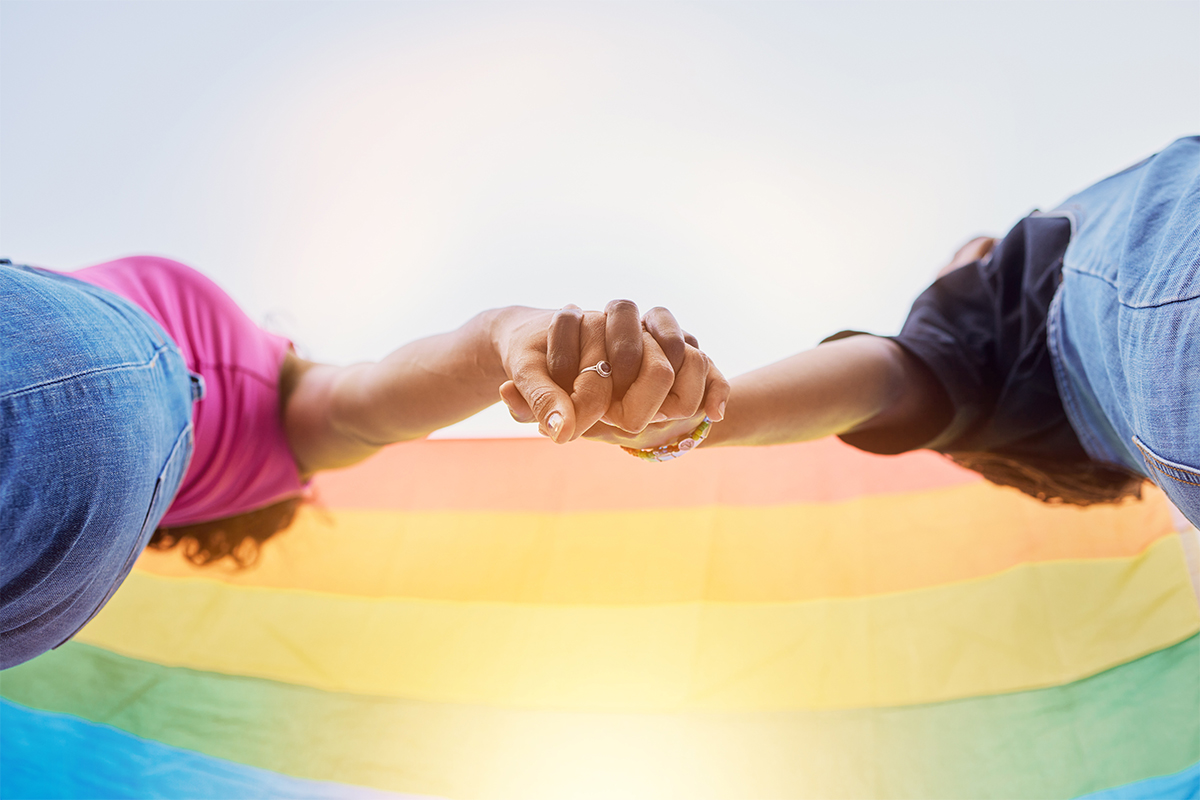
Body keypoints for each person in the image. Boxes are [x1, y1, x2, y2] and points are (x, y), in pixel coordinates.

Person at [0, 257, 729, 669]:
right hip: (83, 509)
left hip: (105, 381)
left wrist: (497, 339)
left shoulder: (273, 421)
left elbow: (365, 400)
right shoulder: (221, 470)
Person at [577, 136, 1200, 530]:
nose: (978, 245)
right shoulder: (962, 327)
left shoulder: (1036, 414)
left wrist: (684, 420)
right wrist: (690, 416)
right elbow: (878, 379)